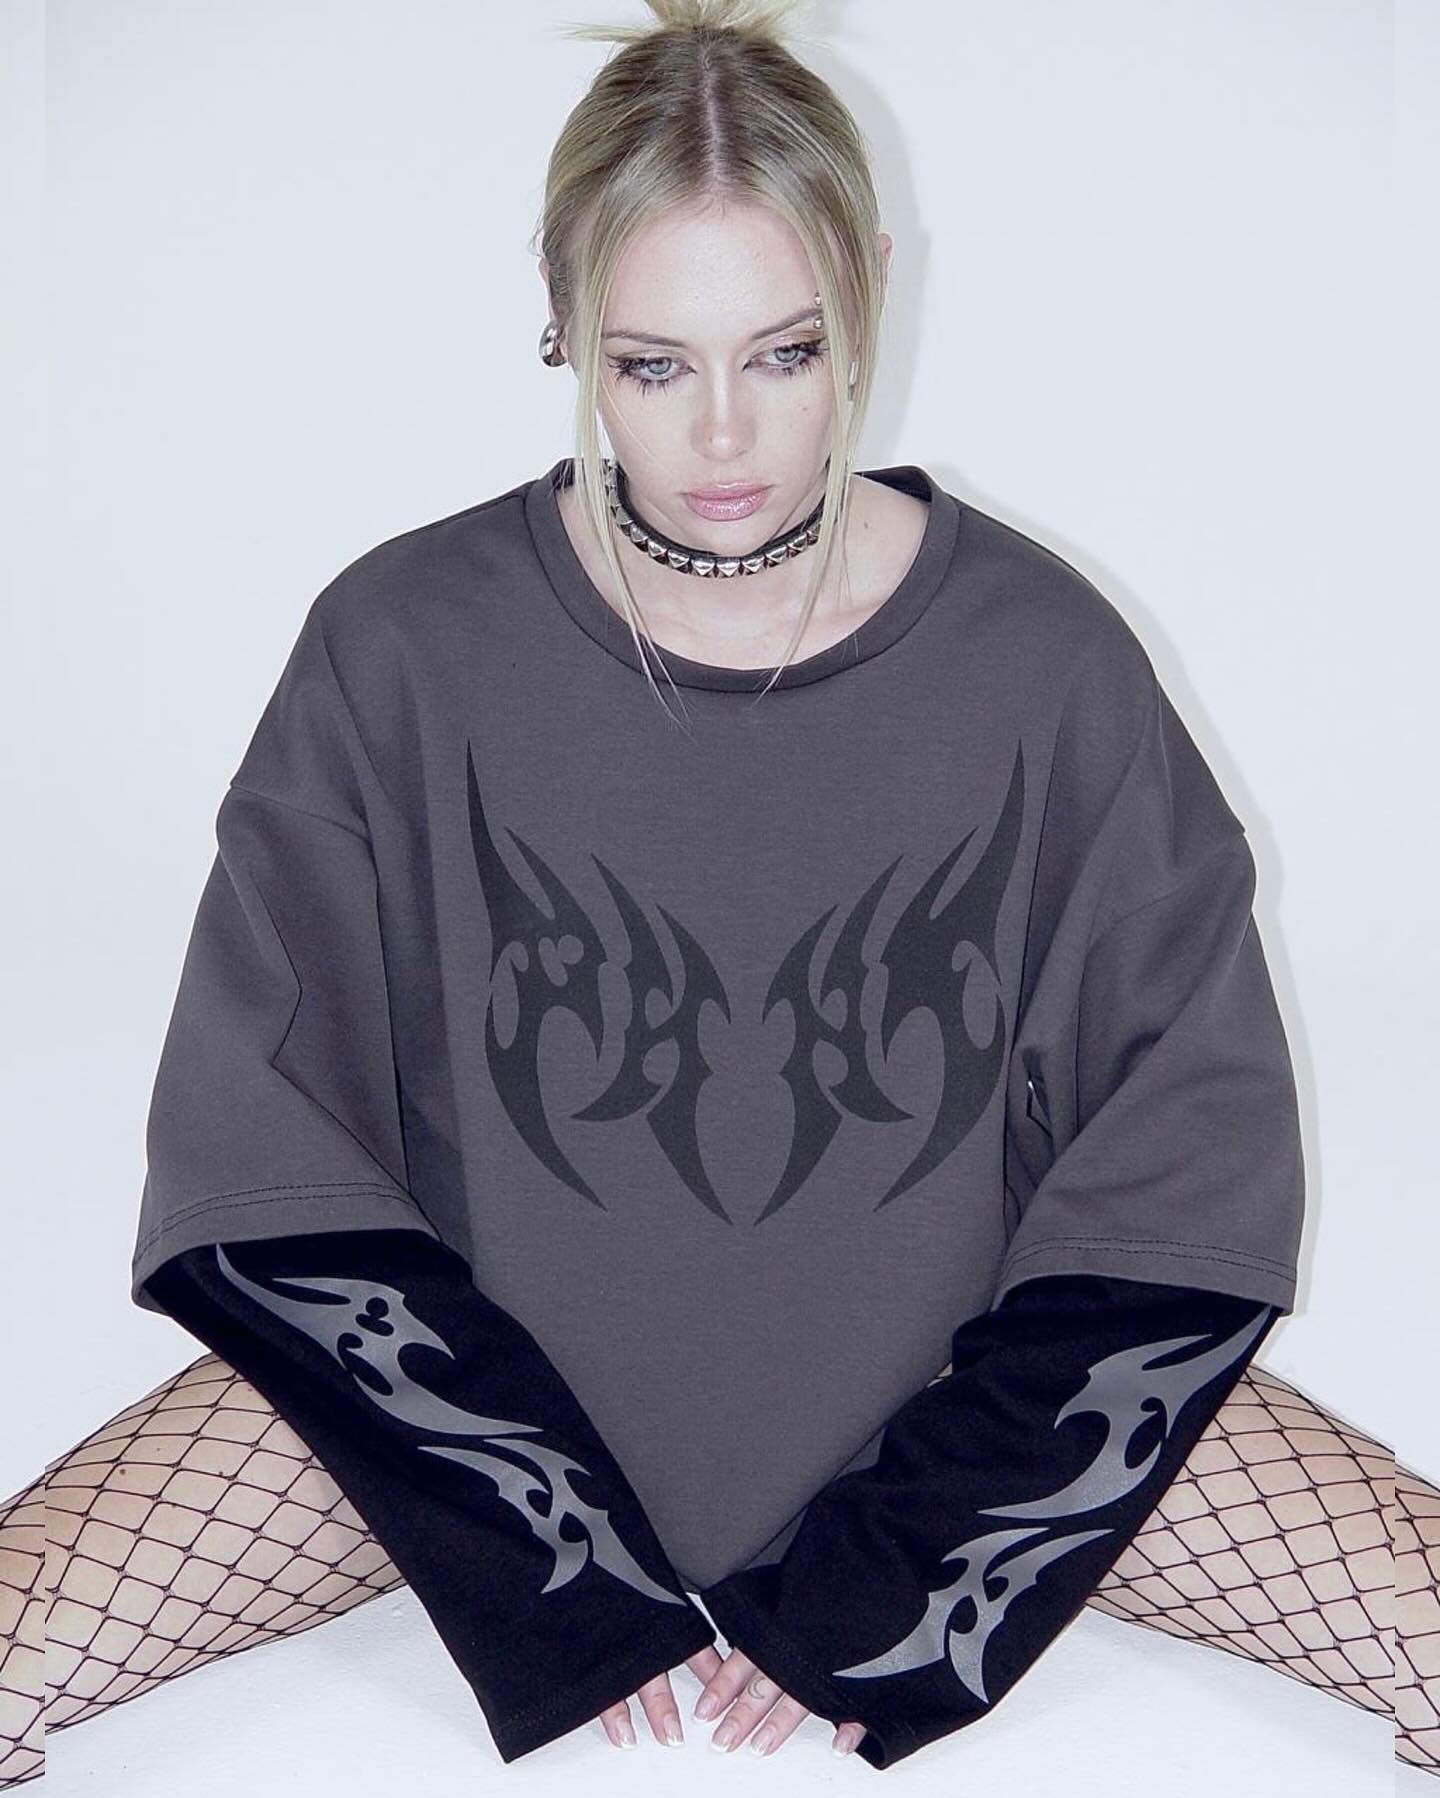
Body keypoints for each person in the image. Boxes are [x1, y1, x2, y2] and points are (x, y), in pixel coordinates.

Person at [0, 0, 1420, 1783]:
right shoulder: (401, 644)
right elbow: (266, 1141)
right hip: (471, 1424)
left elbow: (1182, 1156)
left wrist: (903, 1571)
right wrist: (544, 1553)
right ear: (562, 312)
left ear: (872, 289)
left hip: (959, 1424)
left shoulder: (1044, 661)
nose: (727, 434)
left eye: (787, 350)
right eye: (655, 363)